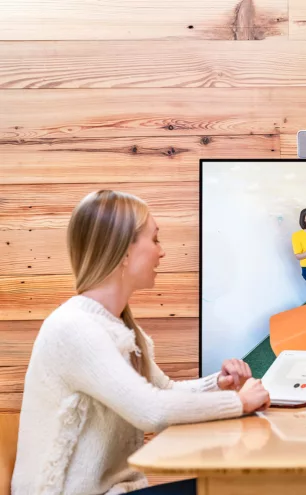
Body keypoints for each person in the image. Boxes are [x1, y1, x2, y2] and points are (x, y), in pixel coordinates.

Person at [11, 190, 271, 495]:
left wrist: (219, 383)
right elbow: (152, 411)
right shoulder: (74, 328)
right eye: (155, 239)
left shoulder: (117, 326)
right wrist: (237, 403)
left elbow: (163, 391)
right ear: (123, 251)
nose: (162, 252)